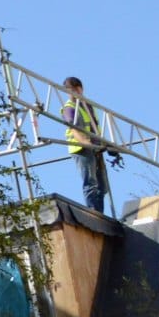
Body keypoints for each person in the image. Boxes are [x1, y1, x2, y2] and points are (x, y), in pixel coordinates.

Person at [61, 76, 114, 214]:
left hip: (95, 148)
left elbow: (95, 128)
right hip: (81, 148)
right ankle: (94, 213)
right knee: (90, 182)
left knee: (103, 186)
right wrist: (85, 142)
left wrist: (106, 145)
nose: (73, 93)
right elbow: (74, 129)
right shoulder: (69, 108)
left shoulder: (88, 106)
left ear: (80, 89)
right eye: (69, 90)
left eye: (74, 89)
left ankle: (100, 213)